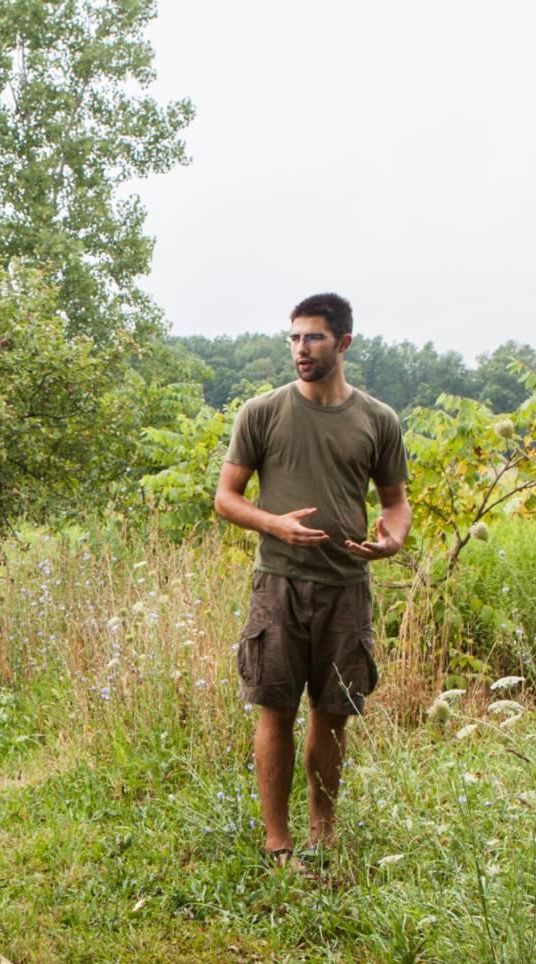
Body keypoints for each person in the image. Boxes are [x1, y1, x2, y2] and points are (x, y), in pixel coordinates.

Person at [213, 292, 411, 864]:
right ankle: (279, 845)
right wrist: (273, 523)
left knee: (333, 713)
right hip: (278, 583)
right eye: (295, 337)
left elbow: (396, 502)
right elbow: (226, 498)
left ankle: (323, 836)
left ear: (343, 343)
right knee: (274, 709)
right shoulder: (262, 412)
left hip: (346, 587)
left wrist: (391, 538)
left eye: (314, 337)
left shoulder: (378, 420)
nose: (301, 348)